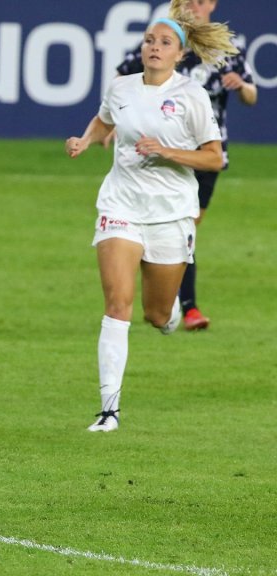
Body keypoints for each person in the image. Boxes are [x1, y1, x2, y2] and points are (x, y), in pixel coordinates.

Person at [65, 2, 237, 432]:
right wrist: (85, 141)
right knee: (116, 304)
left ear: (180, 54)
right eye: (148, 40)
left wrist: (167, 152)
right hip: (120, 205)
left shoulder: (191, 96)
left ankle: (171, 311)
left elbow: (213, 158)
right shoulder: (121, 87)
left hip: (171, 214)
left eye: (164, 42)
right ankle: (108, 410)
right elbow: (104, 120)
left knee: (156, 315)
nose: (154, 47)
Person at [112, 0, 257, 330]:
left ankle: (168, 296)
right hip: (159, 151)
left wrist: (242, 85)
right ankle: (185, 306)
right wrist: (112, 122)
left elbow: (251, 95)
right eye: (188, 0)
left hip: (204, 154)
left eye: (200, 1)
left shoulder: (224, 49)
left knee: (185, 228)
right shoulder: (166, 42)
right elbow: (122, 78)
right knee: (179, 227)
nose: (194, 6)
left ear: (212, 5)